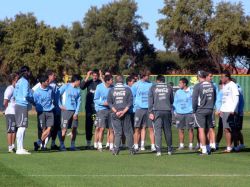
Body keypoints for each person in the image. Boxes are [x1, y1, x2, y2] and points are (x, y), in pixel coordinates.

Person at [107, 75, 135, 155]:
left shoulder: (112, 90)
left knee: (118, 132)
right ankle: (131, 150)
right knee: (128, 132)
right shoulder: (127, 89)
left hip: (115, 113)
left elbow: (109, 102)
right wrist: (124, 111)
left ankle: (116, 150)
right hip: (126, 113)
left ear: (115, 81)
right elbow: (130, 102)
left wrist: (116, 112)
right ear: (123, 81)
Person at [148, 75, 174, 156]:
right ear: (164, 80)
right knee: (167, 130)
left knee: (158, 130)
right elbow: (172, 100)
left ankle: (158, 150)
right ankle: (169, 149)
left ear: (157, 80)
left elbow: (150, 101)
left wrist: (150, 112)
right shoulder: (169, 87)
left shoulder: (153, 87)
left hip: (157, 111)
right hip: (167, 110)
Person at [192, 71, 216, 155]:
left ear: (199, 77)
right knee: (208, 129)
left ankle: (204, 150)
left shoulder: (197, 86)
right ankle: (208, 148)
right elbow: (214, 97)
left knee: (201, 130)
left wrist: (194, 110)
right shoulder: (212, 85)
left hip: (200, 110)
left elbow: (194, 100)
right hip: (210, 109)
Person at [132, 70, 155, 152]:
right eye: (147, 75)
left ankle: (152, 146)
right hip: (139, 109)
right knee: (137, 128)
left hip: (149, 109)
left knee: (150, 128)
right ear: (143, 76)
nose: (149, 77)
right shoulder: (136, 85)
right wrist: (135, 107)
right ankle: (135, 146)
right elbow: (133, 96)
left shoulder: (151, 85)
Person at [58, 74, 82, 151]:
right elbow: (57, 94)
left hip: (74, 112)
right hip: (66, 111)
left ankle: (72, 145)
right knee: (64, 129)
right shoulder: (66, 86)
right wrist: (60, 105)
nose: (80, 83)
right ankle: (62, 145)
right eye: (79, 81)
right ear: (76, 81)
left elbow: (79, 102)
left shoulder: (78, 90)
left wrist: (76, 113)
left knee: (74, 128)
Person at [13, 66, 33, 155]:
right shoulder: (24, 81)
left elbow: (14, 94)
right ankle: (19, 149)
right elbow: (26, 94)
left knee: (22, 127)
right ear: (26, 72)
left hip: (18, 104)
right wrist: (32, 96)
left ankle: (21, 147)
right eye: (29, 71)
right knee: (22, 127)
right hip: (22, 105)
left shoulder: (19, 81)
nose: (30, 73)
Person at [80, 69, 101, 148]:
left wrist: (101, 76)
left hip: (97, 108)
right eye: (93, 75)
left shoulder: (100, 83)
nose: (95, 77)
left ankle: (97, 143)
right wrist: (87, 76)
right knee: (89, 125)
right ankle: (88, 143)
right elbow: (82, 87)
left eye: (96, 75)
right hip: (89, 108)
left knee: (97, 125)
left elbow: (106, 85)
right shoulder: (89, 82)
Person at [33, 74, 55, 151]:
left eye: (48, 81)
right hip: (41, 113)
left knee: (49, 129)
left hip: (50, 111)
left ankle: (38, 143)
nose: (48, 82)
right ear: (42, 82)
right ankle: (42, 146)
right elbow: (35, 102)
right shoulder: (37, 92)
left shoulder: (50, 89)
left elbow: (52, 98)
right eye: (47, 81)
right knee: (43, 129)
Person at [219, 71, 239, 153]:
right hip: (224, 110)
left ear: (227, 77)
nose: (221, 78)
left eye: (223, 77)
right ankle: (230, 147)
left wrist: (233, 109)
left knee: (230, 129)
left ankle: (233, 147)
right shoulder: (225, 86)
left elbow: (236, 97)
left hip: (230, 111)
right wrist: (221, 109)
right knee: (226, 129)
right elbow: (224, 99)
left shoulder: (232, 85)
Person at [94, 74, 113, 151]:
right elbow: (96, 99)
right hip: (101, 110)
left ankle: (111, 146)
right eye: (111, 80)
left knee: (112, 129)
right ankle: (100, 145)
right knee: (101, 128)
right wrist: (103, 103)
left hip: (111, 110)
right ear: (107, 81)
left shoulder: (113, 87)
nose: (112, 81)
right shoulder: (99, 87)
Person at [173, 78, 194, 150]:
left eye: (180, 83)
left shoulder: (191, 91)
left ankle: (191, 145)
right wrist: (175, 111)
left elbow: (194, 102)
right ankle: (181, 145)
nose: (179, 85)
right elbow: (175, 102)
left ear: (184, 84)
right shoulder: (178, 92)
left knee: (190, 129)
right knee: (180, 129)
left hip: (189, 113)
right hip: (179, 113)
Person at [3, 73, 19, 153]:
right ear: (14, 79)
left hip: (15, 113)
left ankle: (13, 146)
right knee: (10, 130)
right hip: (10, 112)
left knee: (15, 130)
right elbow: (5, 101)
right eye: (17, 78)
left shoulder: (15, 88)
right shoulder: (9, 89)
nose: (18, 79)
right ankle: (10, 147)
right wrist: (6, 109)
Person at [205, 72, 217, 151]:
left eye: (211, 76)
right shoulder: (201, 85)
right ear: (205, 77)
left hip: (211, 109)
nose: (211, 78)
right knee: (204, 128)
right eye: (210, 76)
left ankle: (213, 145)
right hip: (202, 110)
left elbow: (216, 97)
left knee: (211, 127)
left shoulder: (214, 85)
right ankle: (207, 144)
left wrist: (215, 107)